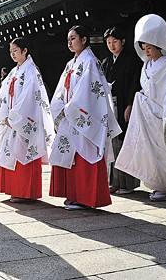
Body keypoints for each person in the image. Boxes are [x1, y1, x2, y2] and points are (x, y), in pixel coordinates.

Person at [115, 14, 166, 202]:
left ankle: (165, 186)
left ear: (158, 46)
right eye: (144, 47)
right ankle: (155, 184)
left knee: (163, 150)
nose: (146, 51)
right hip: (147, 113)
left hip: (162, 113)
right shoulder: (146, 66)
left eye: (149, 47)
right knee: (149, 150)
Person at [49, 25, 121, 210]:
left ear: (84, 40)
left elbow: (89, 92)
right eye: (68, 39)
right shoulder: (71, 64)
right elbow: (61, 90)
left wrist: (71, 108)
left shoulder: (89, 61)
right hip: (70, 115)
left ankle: (85, 197)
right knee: (70, 156)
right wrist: (59, 106)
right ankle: (74, 195)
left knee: (84, 155)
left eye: (73, 38)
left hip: (84, 115)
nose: (70, 42)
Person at [0, 37, 55, 202]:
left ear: (25, 50)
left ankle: (25, 192)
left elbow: (28, 98)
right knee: (12, 153)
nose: (12, 54)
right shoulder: (15, 71)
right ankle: (14, 189)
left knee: (24, 153)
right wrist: (3, 114)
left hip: (26, 120)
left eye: (15, 51)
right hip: (13, 119)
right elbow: (4, 95)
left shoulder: (31, 71)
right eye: (11, 52)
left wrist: (13, 117)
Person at [101, 26, 141, 195]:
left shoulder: (132, 61)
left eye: (115, 41)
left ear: (123, 41)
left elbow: (135, 84)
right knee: (112, 143)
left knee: (126, 142)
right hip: (110, 105)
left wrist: (131, 104)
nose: (111, 45)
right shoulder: (106, 62)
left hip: (125, 103)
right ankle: (115, 181)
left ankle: (128, 183)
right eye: (109, 42)